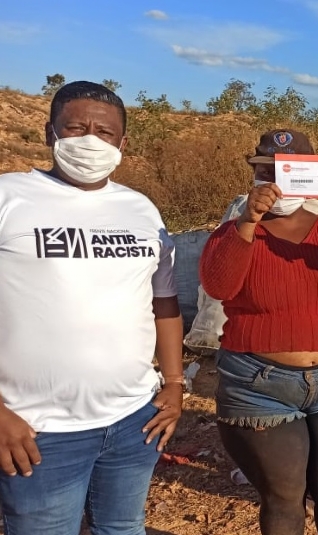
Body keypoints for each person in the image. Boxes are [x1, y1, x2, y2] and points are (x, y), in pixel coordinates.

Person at [0, 81, 183, 534]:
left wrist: (176, 383)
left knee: (122, 528)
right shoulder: (9, 198)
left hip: (134, 422)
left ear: (122, 143)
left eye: (103, 131)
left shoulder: (141, 210)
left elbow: (164, 303)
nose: (89, 140)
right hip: (37, 431)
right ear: (50, 134)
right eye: (75, 127)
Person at [199, 129, 318, 535]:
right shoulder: (233, 234)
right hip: (258, 386)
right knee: (285, 500)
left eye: (288, 171)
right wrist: (247, 223)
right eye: (266, 170)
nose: (275, 181)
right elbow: (219, 285)